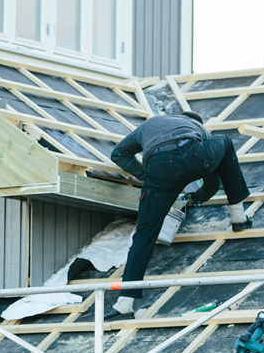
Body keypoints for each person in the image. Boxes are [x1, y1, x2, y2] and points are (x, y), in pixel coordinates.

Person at [105, 111, 251, 319]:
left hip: (158, 166)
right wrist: (197, 198)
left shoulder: (151, 124)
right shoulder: (198, 130)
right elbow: (213, 182)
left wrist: (148, 175)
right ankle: (238, 217)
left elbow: (118, 154)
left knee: (144, 234)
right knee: (226, 142)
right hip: (194, 156)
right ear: (196, 122)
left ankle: (124, 303)